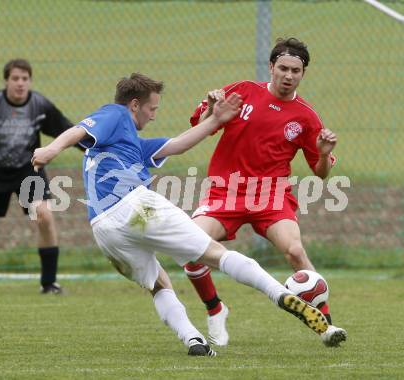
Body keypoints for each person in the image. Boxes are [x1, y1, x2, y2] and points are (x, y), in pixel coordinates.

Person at [31, 72, 330, 356]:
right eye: (152, 108)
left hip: (104, 230)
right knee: (216, 254)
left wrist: (216, 118)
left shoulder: (129, 142)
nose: (154, 115)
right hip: (136, 207)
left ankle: (193, 339)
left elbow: (177, 145)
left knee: (158, 283)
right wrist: (51, 150)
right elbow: (78, 130)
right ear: (134, 105)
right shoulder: (116, 114)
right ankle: (281, 295)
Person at [183, 37, 347, 347]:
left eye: (295, 70)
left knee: (295, 251)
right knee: (189, 247)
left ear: (303, 74)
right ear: (271, 67)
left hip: (270, 195)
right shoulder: (242, 91)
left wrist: (324, 154)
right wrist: (213, 113)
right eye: (283, 68)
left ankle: (325, 324)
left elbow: (321, 173)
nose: (288, 75)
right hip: (225, 192)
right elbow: (198, 128)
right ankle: (215, 309)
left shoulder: (306, 117)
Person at [0, 58, 76, 293]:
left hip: (28, 169)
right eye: (15, 78)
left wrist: (95, 147)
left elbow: (68, 131)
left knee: (44, 215)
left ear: (30, 81)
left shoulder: (40, 105)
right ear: (6, 81)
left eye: (25, 79)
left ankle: (49, 283)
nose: (20, 83)